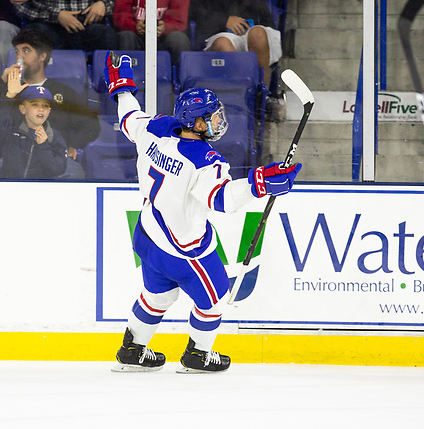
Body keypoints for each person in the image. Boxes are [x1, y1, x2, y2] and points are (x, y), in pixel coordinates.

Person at [105, 52, 300, 372]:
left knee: (157, 296)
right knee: (214, 297)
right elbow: (222, 200)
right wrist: (259, 183)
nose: (219, 121)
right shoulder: (205, 160)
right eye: (212, 116)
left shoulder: (156, 127)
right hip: (185, 250)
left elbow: (129, 117)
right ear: (195, 123)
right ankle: (198, 354)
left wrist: (123, 88)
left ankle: (132, 349)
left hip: (148, 233)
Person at [0, 28, 100, 161]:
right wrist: (1, 81)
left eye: (26, 51)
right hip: (13, 165)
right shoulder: (9, 89)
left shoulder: (63, 92)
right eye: (17, 52)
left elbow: (91, 124)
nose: (19, 57)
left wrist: (74, 144)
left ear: (42, 56)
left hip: (53, 164)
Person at [0, 71, 84, 179]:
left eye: (45, 106)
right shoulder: (12, 130)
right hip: (13, 190)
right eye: (34, 104)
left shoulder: (54, 137)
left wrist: (43, 145)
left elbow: (56, 170)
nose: (40, 109)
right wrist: (9, 95)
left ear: (49, 111)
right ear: (23, 109)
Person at [189, 0, 280, 87]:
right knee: (223, 45)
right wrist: (225, 20)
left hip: (253, 30)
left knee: (258, 34)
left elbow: (265, 18)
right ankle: (241, 92)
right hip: (220, 31)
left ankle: (262, 91)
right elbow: (194, 11)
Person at [12, 0, 117, 52]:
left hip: (86, 24)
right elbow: (19, 6)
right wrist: (56, 15)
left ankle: (108, 85)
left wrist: (103, 3)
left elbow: (112, 1)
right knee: (35, 33)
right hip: (48, 23)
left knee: (105, 33)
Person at [113, 0, 190, 66]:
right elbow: (120, 14)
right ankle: (126, 78)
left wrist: (165, 28)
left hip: (163, 39)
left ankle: (178, 79)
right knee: (127, 37)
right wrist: (134, 26)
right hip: (136, 35)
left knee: (179, 40)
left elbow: (179, 20)